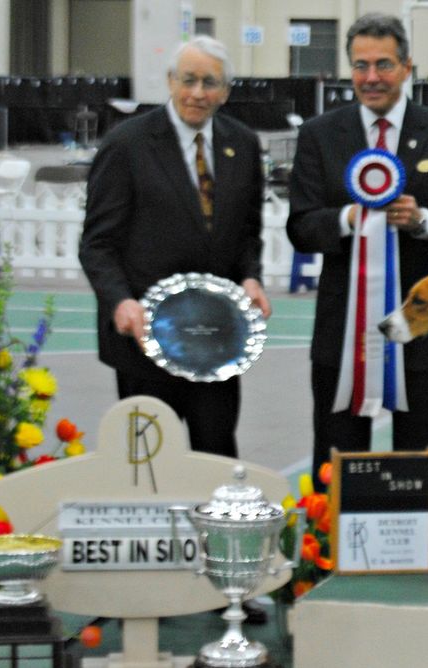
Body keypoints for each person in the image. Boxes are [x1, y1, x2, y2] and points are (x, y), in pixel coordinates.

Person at [286, 13, 428, 563]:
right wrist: (350, 218)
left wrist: (423, 220)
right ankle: (325, 570)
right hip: (340, 337)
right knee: (333, 462)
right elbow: (300, 224)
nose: (371, 76)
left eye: (383, 65)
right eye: (361, 65)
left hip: (424, 338)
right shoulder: (320, 135)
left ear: (406, 67)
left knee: (424, 460)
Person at [79, 35, 272, 460]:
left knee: (216, 455)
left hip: (218, 339)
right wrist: (120, 303)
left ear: (225, 90)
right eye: (188, 80)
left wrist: (250, 276)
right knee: (146, 466)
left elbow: (248, 232)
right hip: (145, 342)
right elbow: (97, 244)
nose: (198, 93)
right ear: (169, 81)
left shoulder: (243, 144)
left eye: (210, 82)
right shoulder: (126, 145)